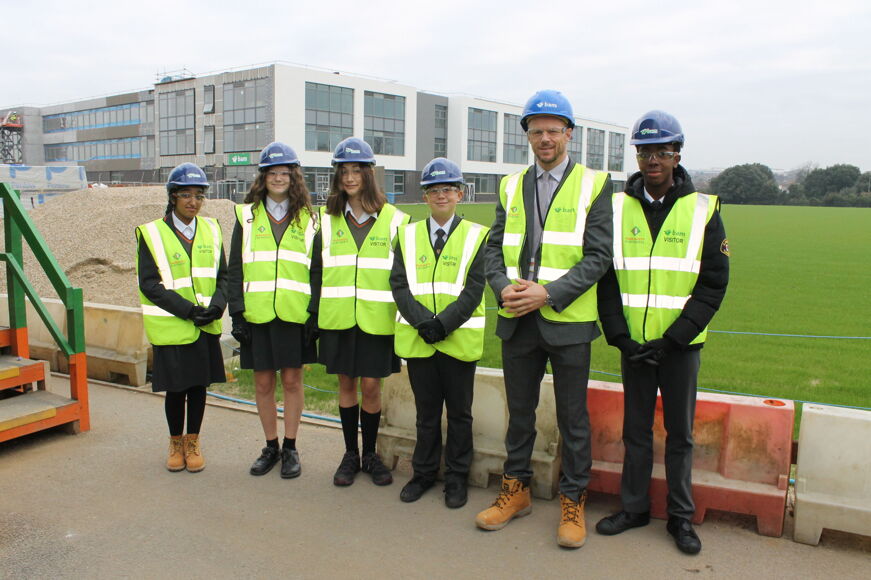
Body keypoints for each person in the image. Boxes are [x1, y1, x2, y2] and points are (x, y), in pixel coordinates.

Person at [475, 90, 612, 549]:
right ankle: (516, 492)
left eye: (554, 130)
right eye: (537, 131)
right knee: (520, 414)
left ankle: (573, 501)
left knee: (573, 418)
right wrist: (502, 287)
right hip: (517, 319)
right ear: (527, 136)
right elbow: (493, 249)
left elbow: (598, 257)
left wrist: (547, 293)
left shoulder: (595, 184)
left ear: (569, 134)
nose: (545, 138)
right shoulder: (510, 186)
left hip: (567, 321)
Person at [594, 111, 729, 555]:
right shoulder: (616, 207)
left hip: (680, 347)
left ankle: (680, 518)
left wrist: (673, 338)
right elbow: (607, 279)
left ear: (677, 154)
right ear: (636, 155)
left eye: (662, 151)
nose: (652, 159)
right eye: (644, 151)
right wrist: (620, 338)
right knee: (635, 431)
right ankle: (632, 509)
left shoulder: (704, 209)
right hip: (634, 346)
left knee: (680, 435)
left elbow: (713, 285)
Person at [391, 158, 489, 508]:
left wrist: (443, 324)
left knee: (460, 414)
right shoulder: (406, 234)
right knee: (426, 413)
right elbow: (399, 285)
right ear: (425, 196)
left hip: (458, 341)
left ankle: (457, 478)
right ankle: (423, 473)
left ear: (459, 193)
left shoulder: (477, 235)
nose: (441, 195)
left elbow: (475, 289)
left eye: (448, 188)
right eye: (434, 190)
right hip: (421, 341)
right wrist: (423, 323)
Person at [316, 137, 409, 488]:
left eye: (357, 170)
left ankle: (370, 454)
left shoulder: (396, 219)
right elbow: (316, 271)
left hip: (377, 319)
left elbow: (402, 275)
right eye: (344, 170)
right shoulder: (326, 220)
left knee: (371, 386)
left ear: (369, 174)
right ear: (337, 175)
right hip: (339, 318)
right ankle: (349, 454)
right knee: (346, 385)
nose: (350, 177)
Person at [228, 142, 319, 479]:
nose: (279, 178)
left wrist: (315, 313)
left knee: (293, 381)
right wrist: (236, 313)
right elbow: (234, 267)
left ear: (294, 177)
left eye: (285, 172)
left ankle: (292, 447)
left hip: (295, 315)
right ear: (263, 177)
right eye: (272, 173)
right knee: (264, 384)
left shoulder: (311, 219)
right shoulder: (246, 216)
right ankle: (271, 446)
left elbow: (317, 270)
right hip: (258, 315)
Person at [136, 162, 227, 473]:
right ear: (172, 196)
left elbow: (224, 276)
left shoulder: (212, 230)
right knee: (176, 389)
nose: (193, 201)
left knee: (198, 387)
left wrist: (217, 306)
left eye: (199, 195)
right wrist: (188, 310)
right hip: (175, 326)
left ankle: (193, 441)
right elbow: (149, 284)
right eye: (186, 194)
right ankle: (175, 442)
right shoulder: (151, 233)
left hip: (205, 326)